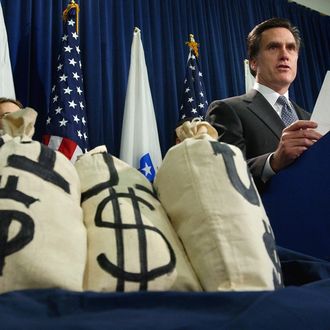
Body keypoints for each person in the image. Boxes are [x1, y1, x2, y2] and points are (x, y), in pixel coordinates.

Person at [206, 17, 322, 194]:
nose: (285, 54)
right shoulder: (227, 110)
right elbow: (223, 177)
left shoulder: (311, 119)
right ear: (253, 62)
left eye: (291, 48)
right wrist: (273, 162)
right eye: (274, 47)